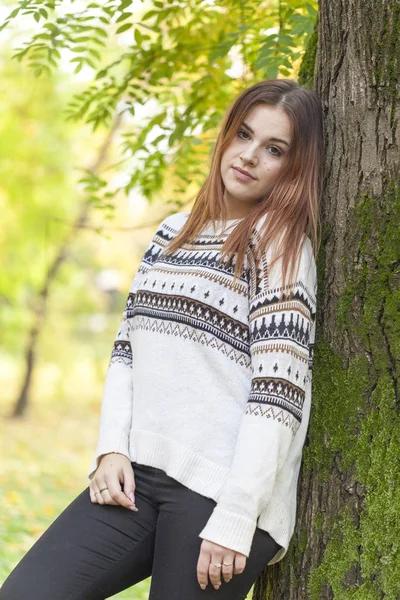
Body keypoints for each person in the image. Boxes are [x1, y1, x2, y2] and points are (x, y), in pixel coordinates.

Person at [0, 77, 323, 599]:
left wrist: (237, 515)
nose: (248, 156)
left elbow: (278, 394)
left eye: (274, 149)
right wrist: (110, 451)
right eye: (242, 135)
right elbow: (127, 351)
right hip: (139, 478)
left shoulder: (282, 248)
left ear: (295, 166)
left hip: (221, 495)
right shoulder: (172, 232)